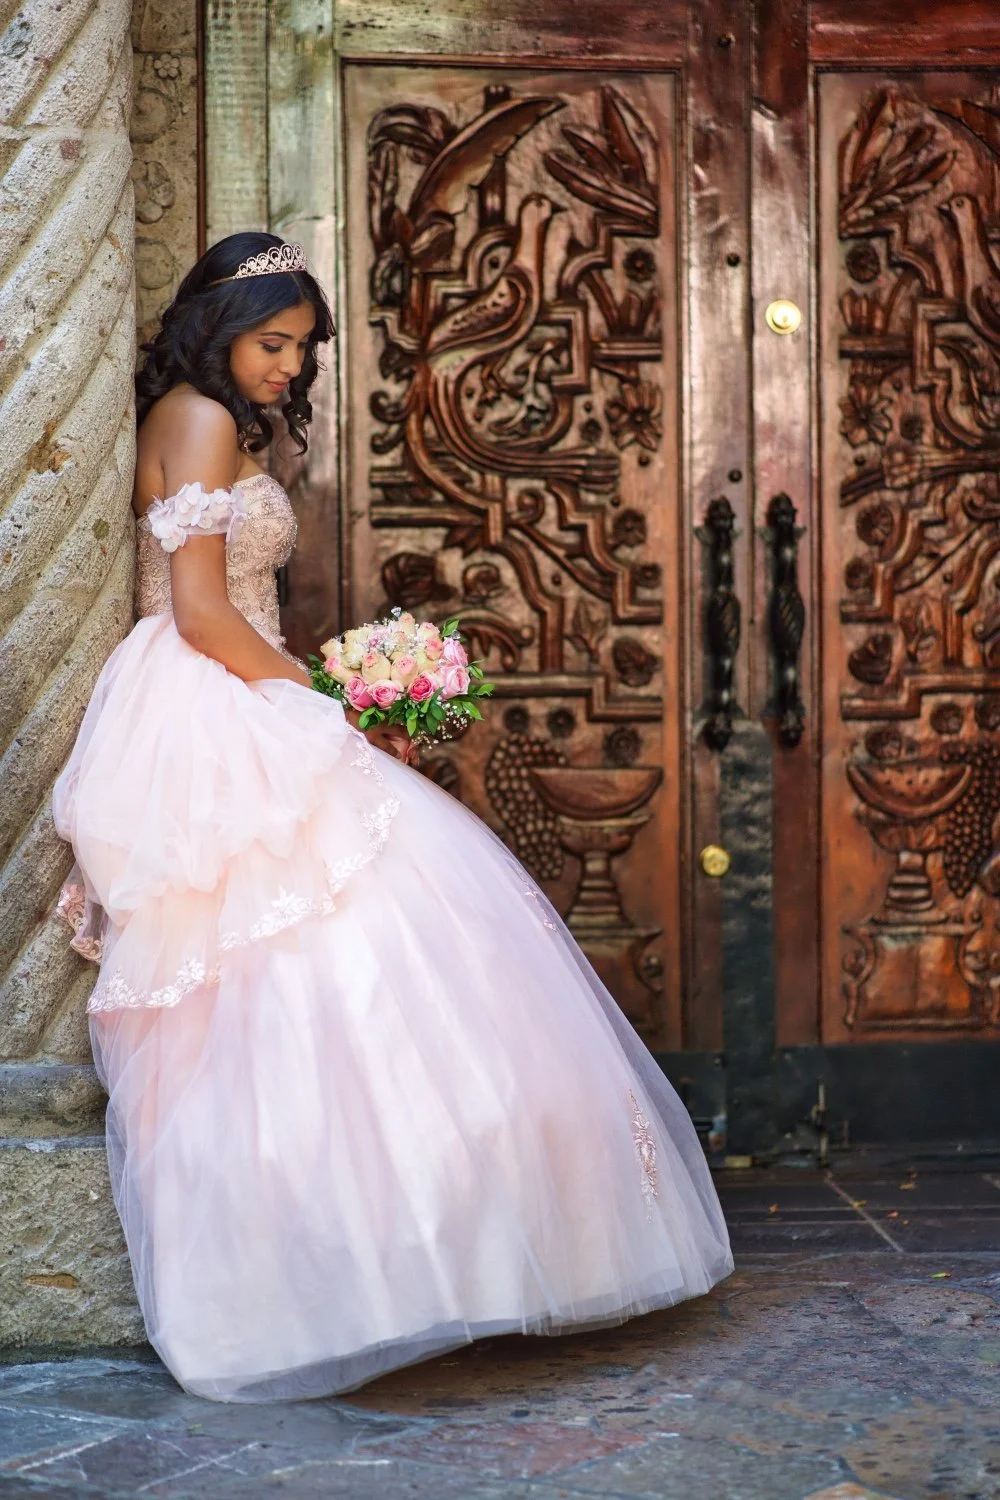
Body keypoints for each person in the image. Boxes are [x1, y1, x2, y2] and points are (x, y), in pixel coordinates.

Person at [52, 232, 732, 1403]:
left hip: (223, 682)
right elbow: (207, 612)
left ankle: (356, 1264)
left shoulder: (192, 414)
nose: (286, 366)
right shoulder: (203, 422)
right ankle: (391, 1262)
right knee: (315, 946)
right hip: (215, 687)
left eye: (301, 348)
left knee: (299, 959)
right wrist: (328, 702)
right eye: (272, 344)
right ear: (221, 330)